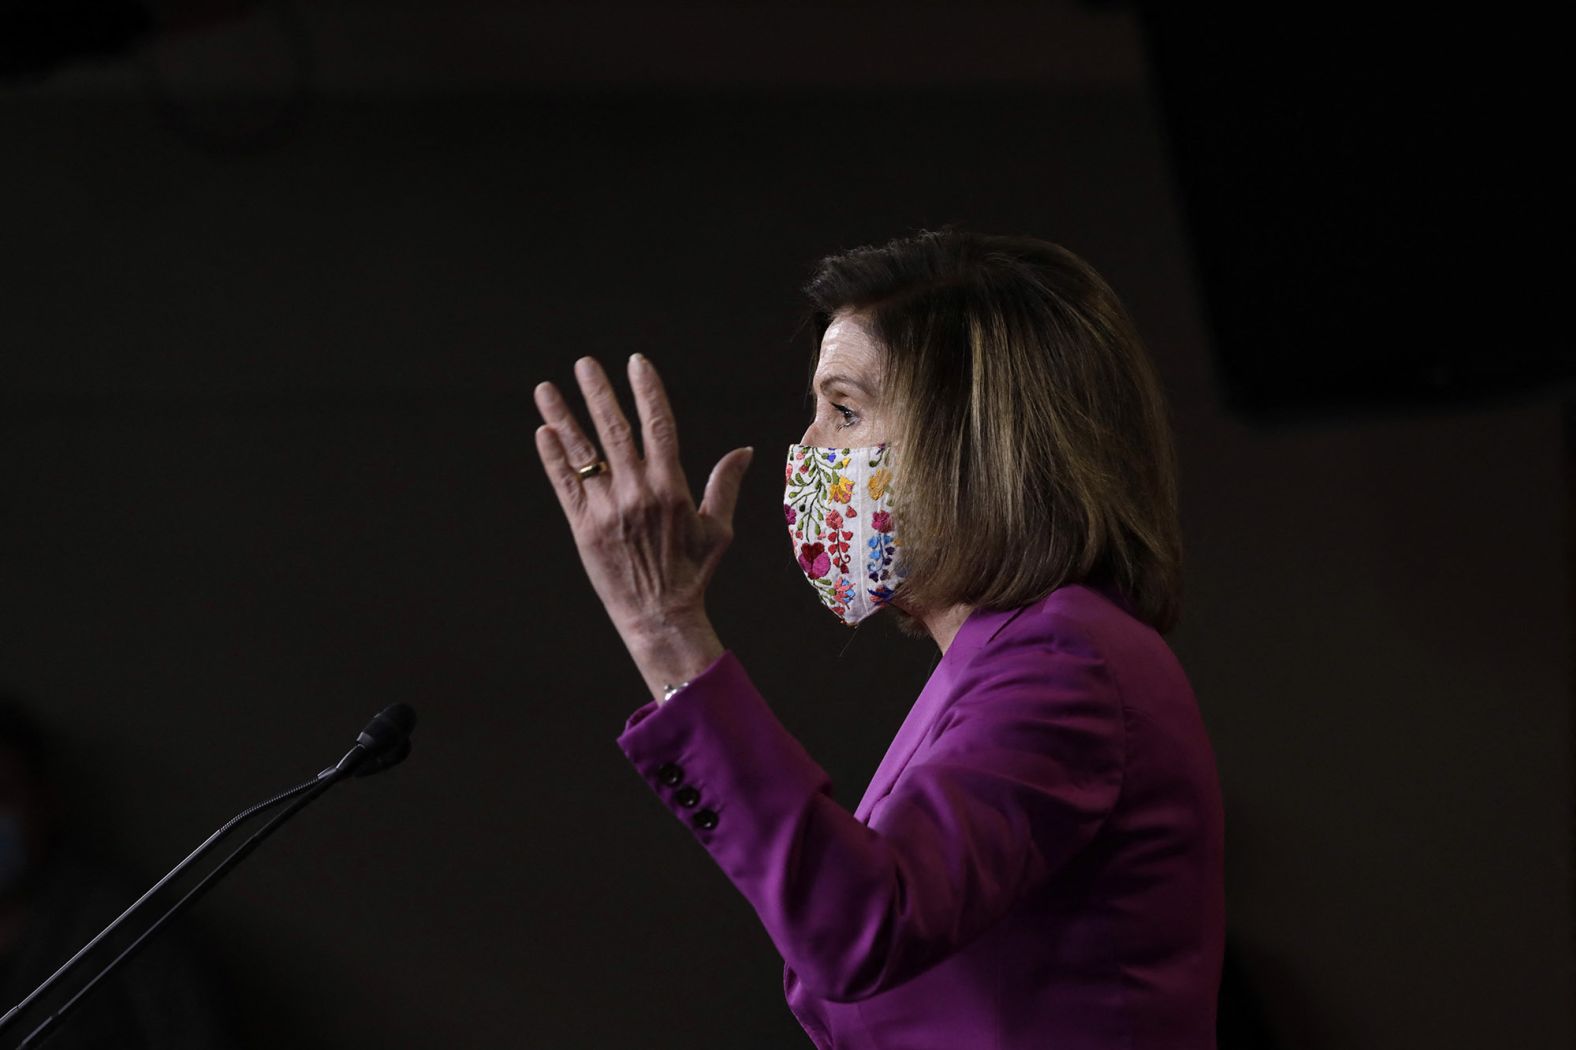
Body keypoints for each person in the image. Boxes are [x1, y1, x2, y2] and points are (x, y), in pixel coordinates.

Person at [532, 227, 1225, 1049]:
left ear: (968, 441)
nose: (810, 451)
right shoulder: (1003, 658)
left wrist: (663, 626)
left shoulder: (1065, 661)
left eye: (846, 409)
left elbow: (860, 925)